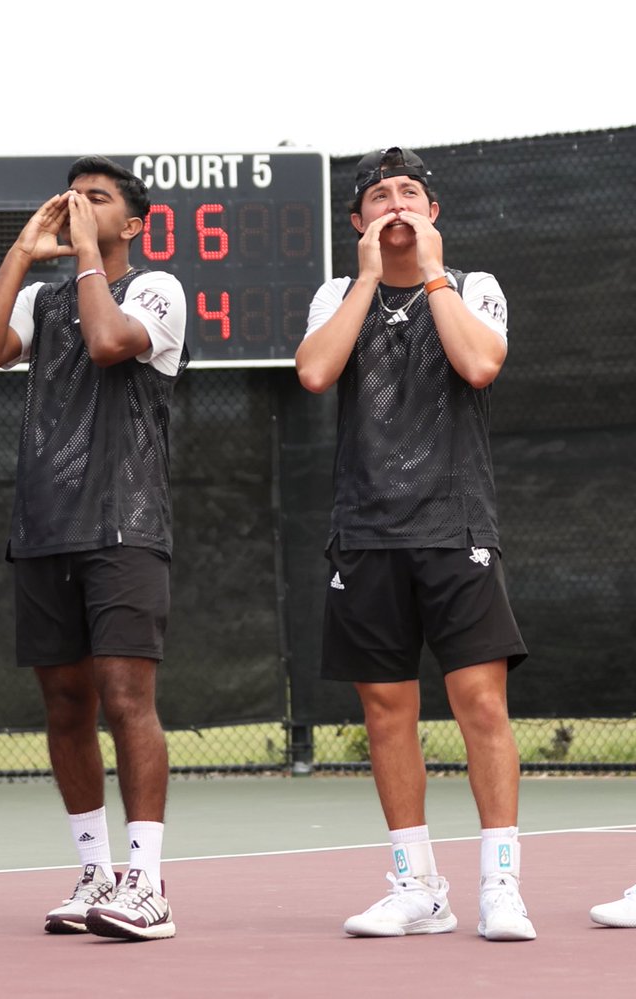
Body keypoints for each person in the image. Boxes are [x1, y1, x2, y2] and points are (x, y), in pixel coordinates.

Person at [295, 147, 534, 941]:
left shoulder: (476, 289)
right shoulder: (338, 293)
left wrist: (431, 272)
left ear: (432, 213)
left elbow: (479, 362)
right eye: (378, 195)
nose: (395, 202)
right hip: (364, 533)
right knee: (387, 710)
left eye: (410, 193)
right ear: (357, 220)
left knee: (480, 704)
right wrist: (366, 280)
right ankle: (418, 885)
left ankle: (500, 884)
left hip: (456, 528)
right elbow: (316, 373)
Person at [0, 156, 187, 942]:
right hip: (44, 527)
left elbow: (108, 341)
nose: (79, 209)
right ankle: (93, 870)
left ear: (133, 223)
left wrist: (86, 251)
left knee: (127, 701)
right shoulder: (38, 295)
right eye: (72, 198)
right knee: (65, 707)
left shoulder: (158, 289)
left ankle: (146, 881)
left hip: (126, 527)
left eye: (98, 201)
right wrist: (23, 250)